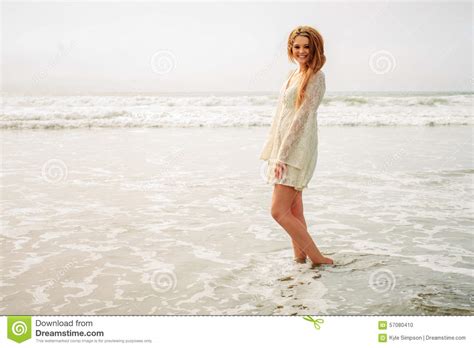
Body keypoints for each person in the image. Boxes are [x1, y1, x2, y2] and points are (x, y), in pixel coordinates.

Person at [259, 25, 333, 267]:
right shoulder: (292, 75)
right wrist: (274, 150)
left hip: (297, 150)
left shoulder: (316, 77)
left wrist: (282, 155)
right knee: (294, 211)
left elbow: (302, 118)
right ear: (291, 48)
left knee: (278, 212)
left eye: (306, 47)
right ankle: (300, 260)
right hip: (284, 148)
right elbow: (282, 115)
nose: (301, 51)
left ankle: (319, 259)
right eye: (297, 46)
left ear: (315, 48)